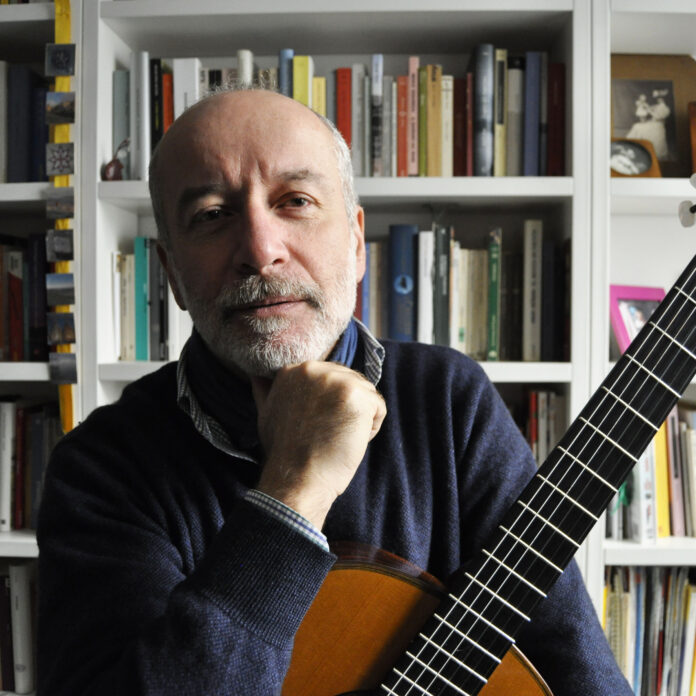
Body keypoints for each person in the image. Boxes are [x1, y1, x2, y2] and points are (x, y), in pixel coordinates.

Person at [36, 88, 631, 696]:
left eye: (296, 201)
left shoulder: (451, 401)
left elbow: (576, 669)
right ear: (171, 274)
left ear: (355, 241)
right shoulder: (99, 467)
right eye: (212, 215)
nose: (261, 250)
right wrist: (294, 490)